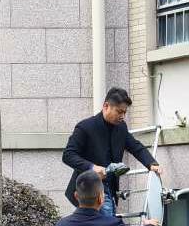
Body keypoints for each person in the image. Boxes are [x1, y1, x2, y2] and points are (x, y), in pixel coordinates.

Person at [62, 87, 162, 216]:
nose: (122, 116)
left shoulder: (121, 127)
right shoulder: (85, 127)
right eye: (119, 112)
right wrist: (91, 167)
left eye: (124, 112)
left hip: (110, 190)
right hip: (88, 190)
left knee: (104, 225)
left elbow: (135, 146)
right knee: (106, 225)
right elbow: (68, 155)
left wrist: (151, 163)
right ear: (106, 106)